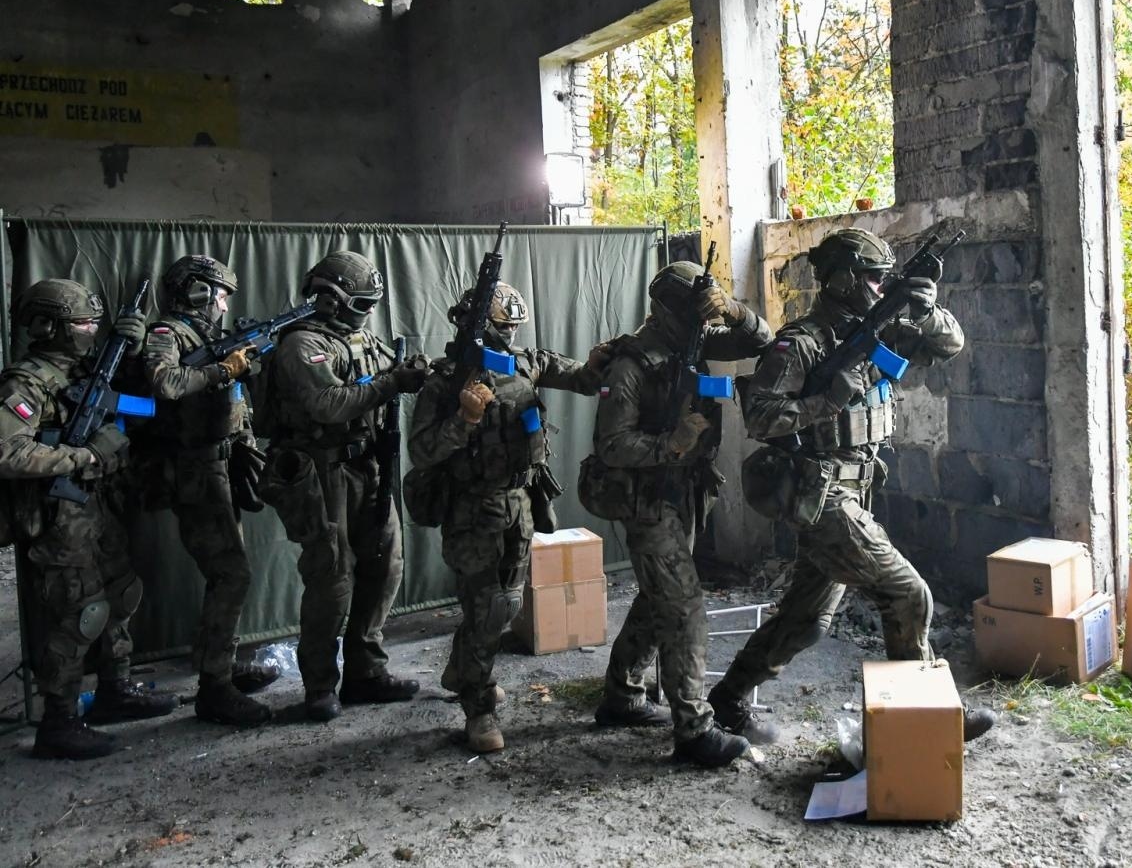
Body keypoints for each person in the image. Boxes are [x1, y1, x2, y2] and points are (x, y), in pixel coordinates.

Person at [705, 228, 996, 745]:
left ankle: (727, 698)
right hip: (820, 495)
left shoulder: (883, 330)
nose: (880, 286)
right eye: (871, 278)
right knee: (908, 594)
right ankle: (927, 725)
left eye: (884, 279)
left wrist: (925, 309)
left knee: (806, 619)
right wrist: (827, 401)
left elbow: (950, 345)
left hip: (857, 487)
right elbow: (761, 417)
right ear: (840, 280)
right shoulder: (800, 344)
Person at [584, 261, 772, 768]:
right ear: (664, 311)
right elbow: (611, 445)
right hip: (647, 497)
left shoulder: (698, 342)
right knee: (684, 605)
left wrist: (731, 309)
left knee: (658, 596)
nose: (702, 323)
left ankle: (623, 696)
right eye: (695, 313)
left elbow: (762, 340)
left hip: (686, 493)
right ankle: (693, 729)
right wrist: (672, 443)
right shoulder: (631, 366)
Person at [408, 281, 608, 753]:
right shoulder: (445, 381)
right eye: (502, 328)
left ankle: (463, 670)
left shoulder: (522, 363)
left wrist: (600, 363)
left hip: (519, 504)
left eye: (515, 328)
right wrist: (465, 419)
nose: (510, 337)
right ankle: (478, 707)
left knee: (508, 605)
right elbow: (421, 451)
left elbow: (577, 376)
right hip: (472, 511)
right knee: (486, 610)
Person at [0, 279, 175, 759]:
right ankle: (58, 719)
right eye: (82, 323)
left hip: (99, 506)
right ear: (46, 326)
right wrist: (81, 457)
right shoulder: (26, 381)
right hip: (60, 513)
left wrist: (133, 347)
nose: (90, 331)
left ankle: (115, 690)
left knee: (122, 594)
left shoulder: (85, 368)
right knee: (82, 611)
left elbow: (145, 403)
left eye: (94, 323)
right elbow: (8, 452)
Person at [257, 251, 427, 722]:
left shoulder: (359, 338)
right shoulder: (301, 344)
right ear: (330, 299)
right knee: (333, 577)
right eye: (361, 302)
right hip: (321, 473)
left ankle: (365, 672)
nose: (368, 311)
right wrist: (394, 382)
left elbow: (376, 380)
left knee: (385, 566)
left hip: (367, 467)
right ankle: (319, 685)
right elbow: (328, 404)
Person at [139, 255, 280, 727]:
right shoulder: (167, 335)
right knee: (231, 574)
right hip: (194, 470)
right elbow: (165, 383)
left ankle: (216, 662)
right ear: (196, 292)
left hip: (220, 464)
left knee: (230, 570)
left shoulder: (208, 337)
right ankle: (214, 689)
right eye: (218, 293)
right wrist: (222, 371)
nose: (222, 303)